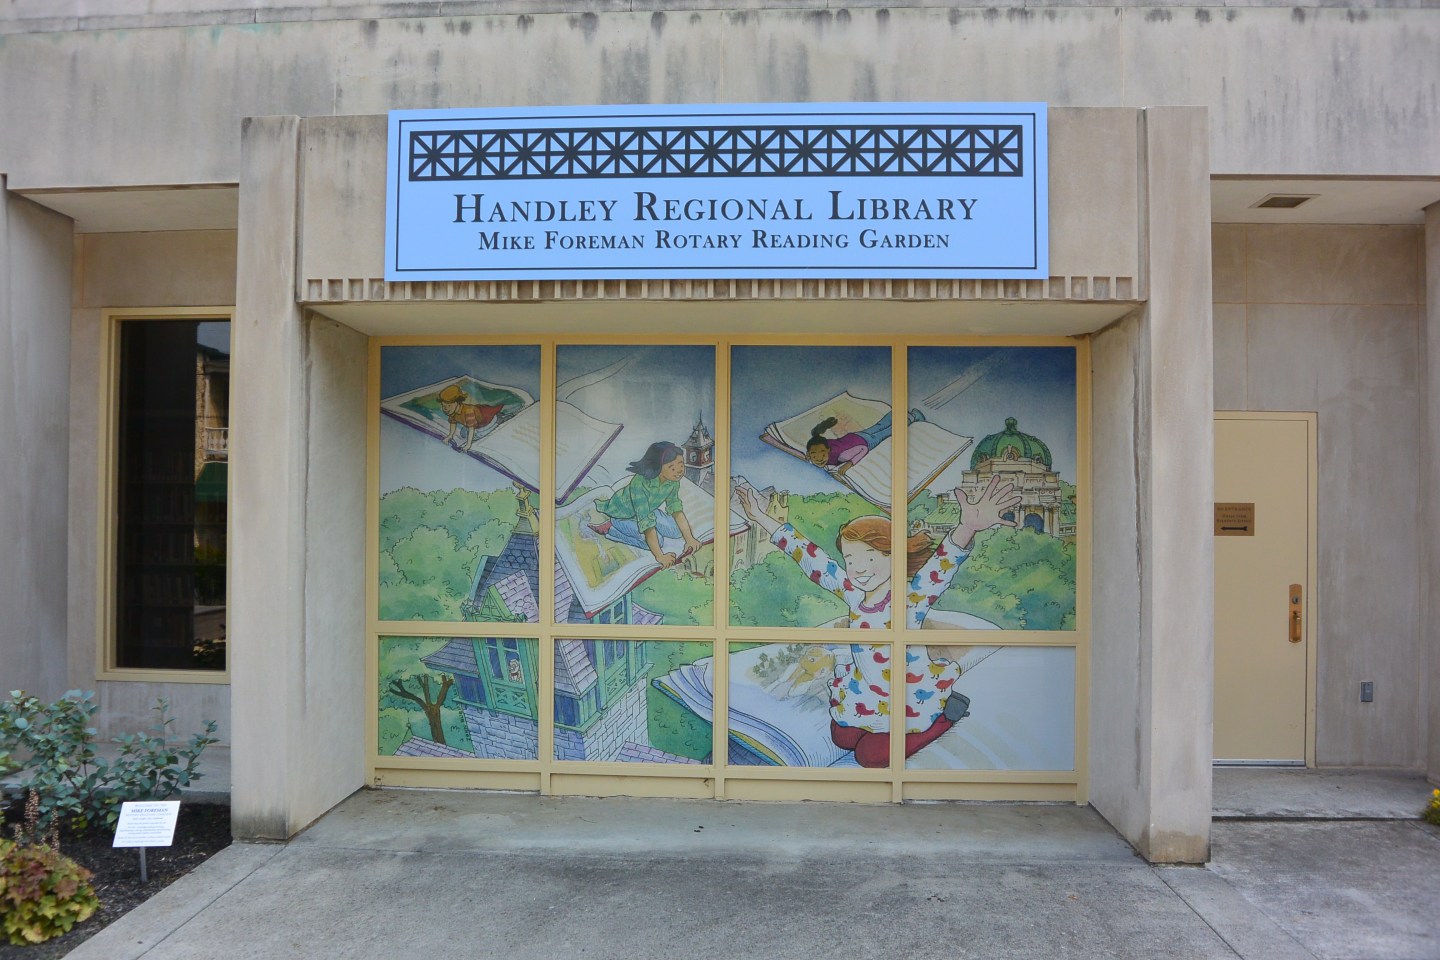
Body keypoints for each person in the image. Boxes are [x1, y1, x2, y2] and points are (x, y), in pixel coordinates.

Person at [734, 474, 1021, 767]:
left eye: (870, 557)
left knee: (869, 756)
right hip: (867, 693)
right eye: (850, 558)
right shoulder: (854, 595)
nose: (858, 568)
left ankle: (946, 717)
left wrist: (967, 527)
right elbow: (811, 558)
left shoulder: (911, 597)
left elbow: (942, 564)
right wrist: (761, 517)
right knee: (842, 736)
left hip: (909, 697)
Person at [590, 442, 704, 569]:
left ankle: (616, 527)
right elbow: (647, 524)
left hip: (647, 510)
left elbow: (676, 509)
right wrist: (660, 556)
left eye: (681, 464)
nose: (679, 471)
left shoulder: (673, 480)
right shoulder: (639, 484)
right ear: (658, 467)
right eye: (672, 467)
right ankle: (611, 529)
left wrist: (690, 539)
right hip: (623, 515)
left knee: (677, 531)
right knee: (658, 541)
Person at [805, 408, 926, 476]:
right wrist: (809, 455)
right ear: (809, 454)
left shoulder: (842, 455)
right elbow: (814, 449)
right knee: (880, 425)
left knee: (889, 431)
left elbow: (864, 449)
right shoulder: (822, 444)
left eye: (822, 455)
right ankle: (902, 410)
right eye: (814, 456)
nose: (819, 459)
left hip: (866, 442)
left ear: (828, 450)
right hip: (854, 437)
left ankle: (913, 416)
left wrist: (849, 464)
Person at [437, 383, 506, 452]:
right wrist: (449, 436)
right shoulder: (452, 411)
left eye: (449, 405)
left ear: (457, 402)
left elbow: (471, 429)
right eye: (443, 405)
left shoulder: (468, 411)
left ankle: (499, 419)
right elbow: (453, 423)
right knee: (463, 434)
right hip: (476, 420)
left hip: (487, 420)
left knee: (478, 435)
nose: (445, 409)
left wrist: (468, 445)